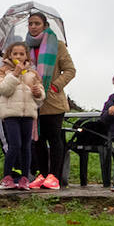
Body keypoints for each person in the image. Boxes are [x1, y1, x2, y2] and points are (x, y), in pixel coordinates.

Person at [24, 11, 75, 190]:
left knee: (54, 139)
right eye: (30, 23)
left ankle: (54, 176)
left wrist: (54, 86)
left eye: (37, 23)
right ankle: (42, 174)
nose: (33, 26)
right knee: (37, 140)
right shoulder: (24, 48)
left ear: (45, 25)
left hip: (53, 101)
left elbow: (70, 70)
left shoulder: (58, 45)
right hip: (32, 100)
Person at [0, 41, 43, 189]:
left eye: (22, 54)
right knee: (15, 145)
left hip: (27, 113)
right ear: (9, 55)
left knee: (26, 146)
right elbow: (3, 90)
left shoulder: (32, 74)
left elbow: (40, 94)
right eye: (15, 53)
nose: (18, 56)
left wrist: (38, 93)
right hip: (10, 114)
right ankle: (7, 176)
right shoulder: (2, 72)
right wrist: (15, 73)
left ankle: (24, 178)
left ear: (26, 56)